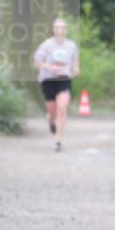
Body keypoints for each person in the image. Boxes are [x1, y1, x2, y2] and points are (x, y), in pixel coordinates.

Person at [33, 18, 80, 152]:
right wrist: (48, 66)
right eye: (57, 27)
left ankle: (58, 141)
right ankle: (51, 121)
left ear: (66, 30)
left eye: (62, 27)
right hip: (48, 80)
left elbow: (75, 64)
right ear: (53, 30)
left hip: (64, 79)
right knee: (52, 112)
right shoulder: (46, 45)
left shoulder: (71, 46)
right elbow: (37, 63)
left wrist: (76, 70)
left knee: (62, 107)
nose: (60, 30)